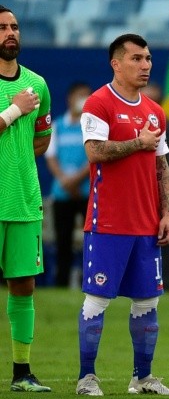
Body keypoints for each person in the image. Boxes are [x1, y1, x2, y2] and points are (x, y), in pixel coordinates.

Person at [75, 34, 169, 397]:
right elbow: (94, 152)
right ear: (116, 64)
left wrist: (166, 213)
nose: (145, 64)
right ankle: (86, 378)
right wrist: (138, 142)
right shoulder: (98, 104)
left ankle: (143, 378)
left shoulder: (153, 111)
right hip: (109, 222)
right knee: (98, 299)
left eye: (148, 58)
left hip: (146, 224)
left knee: (148, 301)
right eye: (136, 58)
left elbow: (160, 164)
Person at [0, 5, 53, 392]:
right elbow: (19, 116)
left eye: (15, 27)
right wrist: (13, 109)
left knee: (23, 286)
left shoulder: (38, 85)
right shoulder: (21, 97)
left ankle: (22, 372)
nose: (10, 33)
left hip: (22, 201)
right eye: (2, 28)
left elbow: (41, 140)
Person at [44, 82, 92, 287]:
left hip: (88, 192)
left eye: (87, 96)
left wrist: (76, 180)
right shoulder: (57, 126)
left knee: (92, 243)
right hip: (62, 193)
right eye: (80, 96)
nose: (83, 100)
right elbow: (51, 156)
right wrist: (65, 180)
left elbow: (94, 157)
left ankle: (92, 282)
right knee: (63, 241)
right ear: (70, 99)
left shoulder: (92, 126)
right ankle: (61, 284)